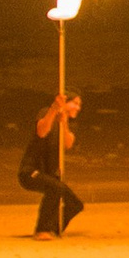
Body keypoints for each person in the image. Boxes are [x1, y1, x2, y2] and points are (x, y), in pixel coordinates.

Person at [19, 92, 83, 238]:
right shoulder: (46, 112)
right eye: (75, 103)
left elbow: (68, 144)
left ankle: (54, 228)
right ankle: (42, 230)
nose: (78, 108)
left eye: (79, 105)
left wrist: (64, 122)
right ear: (65, 102)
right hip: (30, 171)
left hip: (49, 174)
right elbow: (42, 132)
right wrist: (54, 109)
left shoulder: (69, 123)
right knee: (55, 188)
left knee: (75, 204)